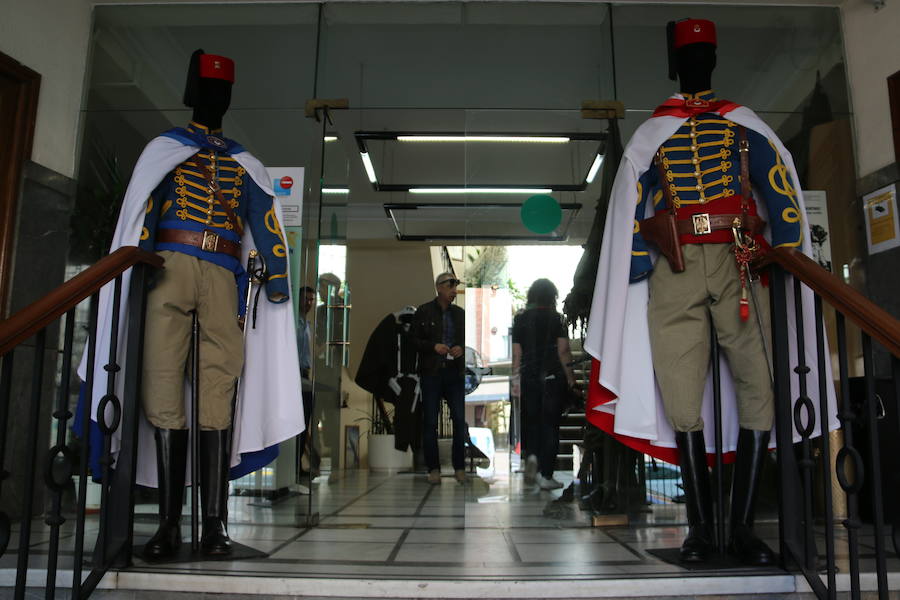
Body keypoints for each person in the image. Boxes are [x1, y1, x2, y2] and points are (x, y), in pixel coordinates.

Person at [583, 18, 831, 566]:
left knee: (758, 384)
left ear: (712, 61)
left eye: (702, 55)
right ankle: (700, 529)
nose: (697, 65)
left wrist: (786, 248)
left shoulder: (744, 126)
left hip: (739, 258)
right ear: (677, 65)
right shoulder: (654, 132)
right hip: (673, 264)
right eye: (689, 56)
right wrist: (634, 261)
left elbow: (778, 189)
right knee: (680, 390)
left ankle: (740, 528)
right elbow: (631, 202)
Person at [81, 49, 303, 559]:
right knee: (160, 385)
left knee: (219, 387)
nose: (217, 100)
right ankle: (168, 524)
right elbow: (145, 208)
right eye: (210, 91)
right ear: (193, 95)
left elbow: (265, 219)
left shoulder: (244, 160)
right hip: (167, 267)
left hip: (224, 272)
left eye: (224, 92)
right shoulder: (165, 149)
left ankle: (215, 523)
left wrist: (277, 281)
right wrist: (135, 261)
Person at [511, 279, 575, 490]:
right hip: (552, 379)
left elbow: (517, 354)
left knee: (531, 423)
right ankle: (546, 475)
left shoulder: (520, 319)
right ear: (553, 297)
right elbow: (563, 350)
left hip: (528, 378)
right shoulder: (558, 319)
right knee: (550, 426)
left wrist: (516, 379)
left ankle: (531, 456)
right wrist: (571, 379)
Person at [413, 272, 467, 484]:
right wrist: (433, 346)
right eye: (450, 285)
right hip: (431, 372)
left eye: (456, 285)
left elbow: (466, 339)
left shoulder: (460, 314)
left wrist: (460, 348)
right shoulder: (424, 311)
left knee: (459, 420)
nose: (454, 289)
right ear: (439, 287)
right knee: (430, 423)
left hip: (455, 373)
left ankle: (459, 468)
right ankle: (433, 468)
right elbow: (414, 340)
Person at [296, 285, 316, 478]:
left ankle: (298, 463)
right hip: (295, 373)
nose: (308, 303)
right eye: (306, 299)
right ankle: (293, 465)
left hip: (304, 373)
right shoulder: (295, 322)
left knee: (305, 421)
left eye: (311, 300)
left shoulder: (307, 324)